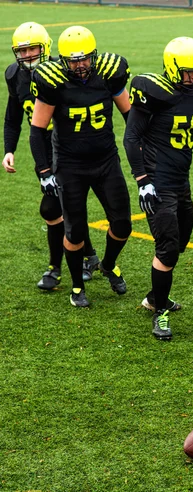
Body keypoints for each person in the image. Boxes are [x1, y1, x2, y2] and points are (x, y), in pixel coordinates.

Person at [124, 36, 193, 341]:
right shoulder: (154, 93)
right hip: (157, 182)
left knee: (180, 243)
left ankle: (155, 296)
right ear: (172, 68)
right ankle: (160, 314)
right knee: (166, 248)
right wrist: (143, 183)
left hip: (181, 180)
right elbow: (131, 139)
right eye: (188, 71)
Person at [29, 25, 132, 307]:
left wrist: (144, 157)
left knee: (122, 224)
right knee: (74, 230)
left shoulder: (110, 74)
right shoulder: (53, 82)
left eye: (85, 58)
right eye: (73, 60)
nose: (80, 64)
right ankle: (77, 288)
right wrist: (44, 171)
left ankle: (108, 264)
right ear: (63, 60)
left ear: (94, 55)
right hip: (70, 166)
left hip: (106, 161)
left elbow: (130, 117)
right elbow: (37, 130)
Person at [3, 22, 99, 291]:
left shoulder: (60, 72)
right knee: (65, 208)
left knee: (55, 207)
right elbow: (13, 117)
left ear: (45, 47)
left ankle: (57, 267)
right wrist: (9, 149)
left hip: (67, 149)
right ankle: (87, 258)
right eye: (21, 51)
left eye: (32, 49)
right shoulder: (14, 75)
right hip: (42, 150)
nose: (27, 56)